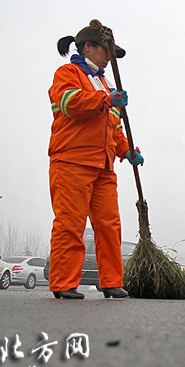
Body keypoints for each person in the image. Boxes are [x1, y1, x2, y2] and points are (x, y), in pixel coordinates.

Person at [48, 20, 144, 299]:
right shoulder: (67, 73)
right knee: (70, 224)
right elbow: (71, 104)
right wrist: (106, 101)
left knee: (109, 226)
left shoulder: (103, 82)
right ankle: (64, 283)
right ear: (87, 46)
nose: (109, 58)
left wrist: (127, 150)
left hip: (103, 166)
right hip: (72, 162)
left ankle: (111, 282)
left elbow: (112, 128)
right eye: (107, 51)